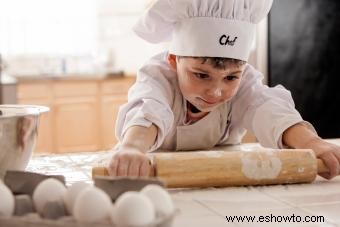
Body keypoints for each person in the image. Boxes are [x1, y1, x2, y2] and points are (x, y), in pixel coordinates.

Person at [107, 0, 340, 180]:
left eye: (230, 77)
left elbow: (267, 107)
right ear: (174, 60)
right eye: (201, 74)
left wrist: (311, 143)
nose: (216, 92)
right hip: (160, 182)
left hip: (221, 180)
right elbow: (149, 108)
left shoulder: (245, 83)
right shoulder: (158, 77)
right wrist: (133, 148)